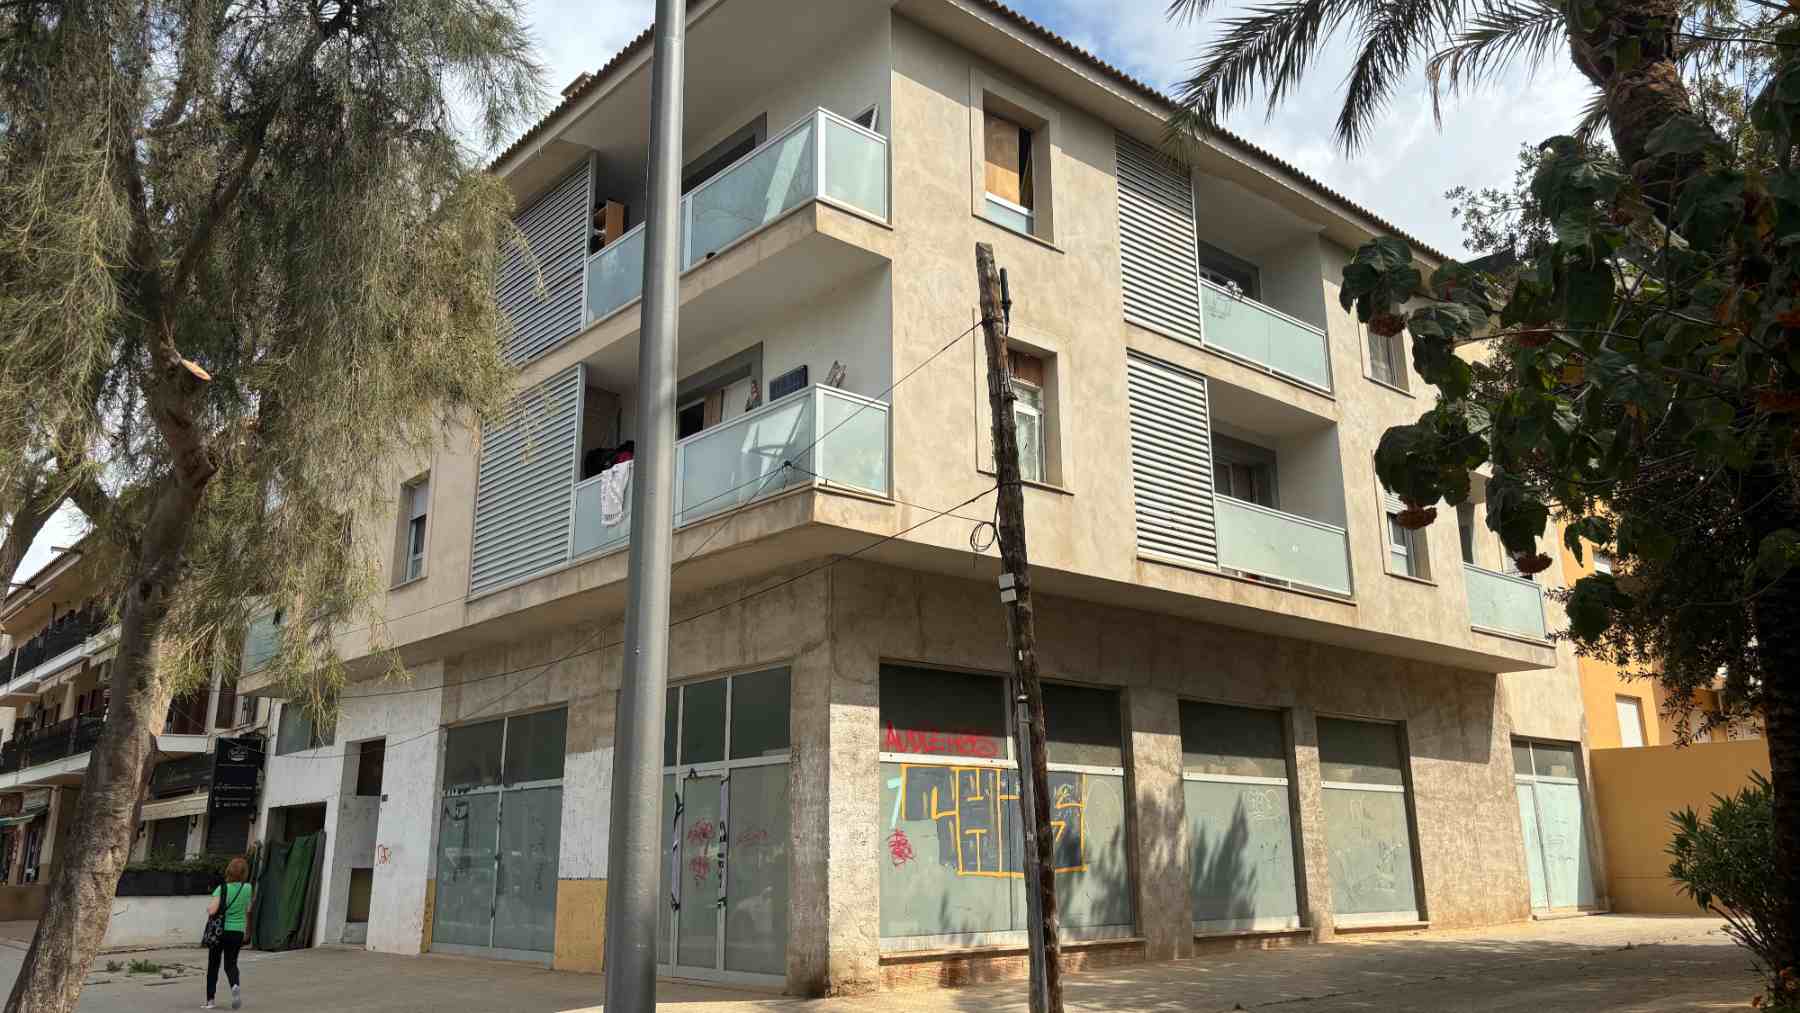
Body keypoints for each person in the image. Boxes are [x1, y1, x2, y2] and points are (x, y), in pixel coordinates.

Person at [204, 856, 254, 1009]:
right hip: (237, 931)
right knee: (231, 964)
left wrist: (210, 908)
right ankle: (234, 986)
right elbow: (248, 909)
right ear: (244, 873)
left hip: (220, 932)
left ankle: (210, 1001)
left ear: (229, 871)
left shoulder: (222, 888)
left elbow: (212, 910)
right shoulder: (248, 888)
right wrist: (247, 930)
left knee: (214, 965)